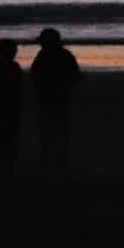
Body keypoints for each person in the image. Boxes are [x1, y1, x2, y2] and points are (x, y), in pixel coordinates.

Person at [29, 28, 83, 177]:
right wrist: (65, 87)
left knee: (46, 134)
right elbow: (76, 77)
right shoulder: (65, 55)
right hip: (61, 99)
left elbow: (34, 76)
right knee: (60, 134)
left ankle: (47, 166)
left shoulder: (42, 56)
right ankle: (60, 166)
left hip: (45, 100)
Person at [0, 41, 24, 176]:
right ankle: (8, 165)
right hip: (10, 105)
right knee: (10, 136)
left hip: (1, 105)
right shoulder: (13, 66)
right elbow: (18, 86)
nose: (16, 52)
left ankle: (4, 165)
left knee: (3, 135)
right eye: (14, 49)